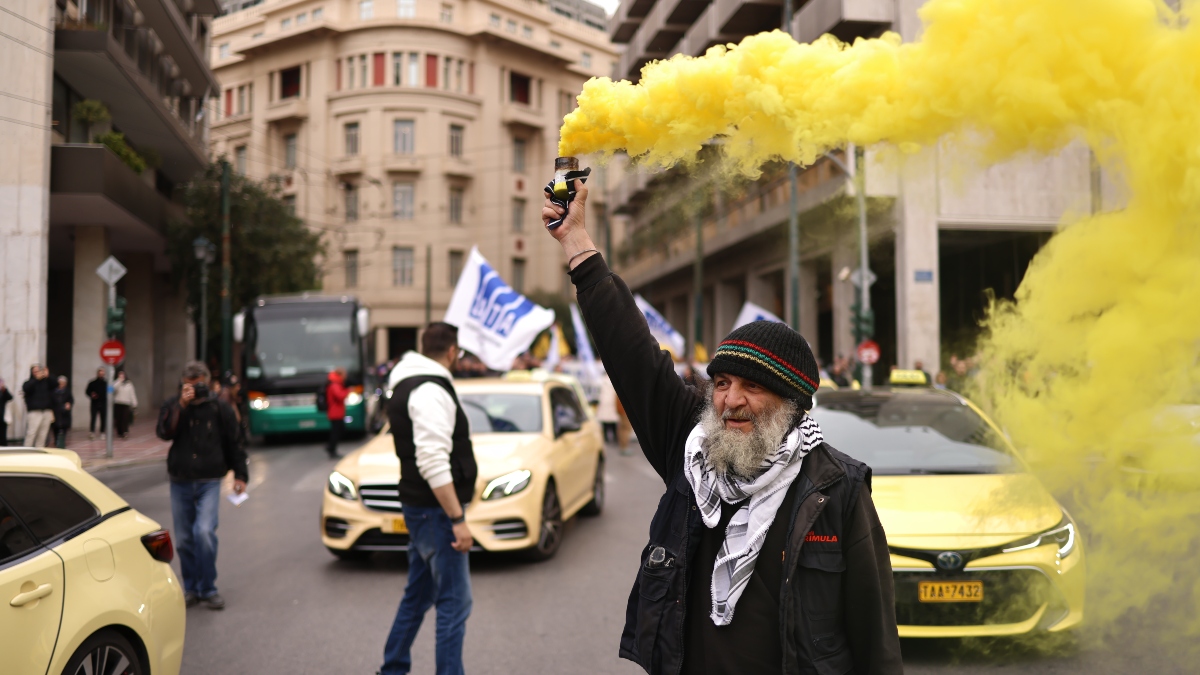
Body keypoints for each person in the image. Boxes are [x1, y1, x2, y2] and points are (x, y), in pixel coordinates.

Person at [543, 182, 902, 674]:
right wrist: (577, 243)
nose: (730, 400)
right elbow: (631, 355)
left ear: (792, 403)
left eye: (752, 387)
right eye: (723, 382)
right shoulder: (689, 453)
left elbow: (874, 634)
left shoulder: (835, 488)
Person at [380, 322, 478, 675]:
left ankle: (393, 668)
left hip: (421, 509)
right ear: (452, 352)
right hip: (435, 514)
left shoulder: (408, 381)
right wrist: (456, 519)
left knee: (418, 596)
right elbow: (432, 461)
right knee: (454, 602)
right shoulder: (430, 390)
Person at [156, 361, 247, 610]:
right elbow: (164, 432)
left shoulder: (220, 408)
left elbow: (235, 442)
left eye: (199, 385)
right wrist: (181, 405)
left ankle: (208, 588)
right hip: (180, 480)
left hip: (209, 480)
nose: (195, 390)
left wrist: (241, 475)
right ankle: (192, 588)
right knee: (185, 539)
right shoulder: (174, 404)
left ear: (207, 383)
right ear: (183, 384)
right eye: (189, 384)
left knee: (204, 532)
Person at [22, 365, 55, 447]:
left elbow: (55, 384)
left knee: (43, 435)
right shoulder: (29, 383)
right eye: (35, 371)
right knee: (31, 433)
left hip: (46, 411)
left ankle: (39, 453)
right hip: (34, 412)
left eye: (39, 371)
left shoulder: (47, 382)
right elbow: (26, 388)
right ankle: (25, 452)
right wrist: (36, 380)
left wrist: (49, 376)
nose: (37, 373)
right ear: (32, 373)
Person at [325, 367, 349, 459]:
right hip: (335, 413)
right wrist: (348, 391)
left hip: (336, 412)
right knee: (336, 432)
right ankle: (331, 448)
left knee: (337, 431)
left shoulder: (336, 383)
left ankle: (331, 447)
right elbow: (340, 396)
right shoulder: (335, 384)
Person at [112, 370, 138, 438]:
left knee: (125, 418)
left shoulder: (129, 384)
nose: (122, 376)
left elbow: (132, 394)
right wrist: (119, 381)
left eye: (123, 375)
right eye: (120, 375)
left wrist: (134, 404)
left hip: (126, 403)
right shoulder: (116, 382)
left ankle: (125, 431)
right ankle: (119, 432)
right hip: (118, 403)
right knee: (118, 419)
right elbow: (113, 389)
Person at [51, 376, 74, 449]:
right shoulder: (54, 391)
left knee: (64, 427)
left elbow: (71, 400)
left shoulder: (67, 391)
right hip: (56, 411)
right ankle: (56, 440)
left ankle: (62, 441)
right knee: (55, 427)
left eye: (63, 383)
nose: (61, 385)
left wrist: (69, 404)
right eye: (60, 383)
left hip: (64, 413)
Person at [597, 373, 619, 444]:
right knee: (612, 422)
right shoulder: (611, 380)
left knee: (607, 422)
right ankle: (614, 437)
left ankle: (608, 437)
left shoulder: (601, 380)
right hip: (609, 403)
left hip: (607, 403)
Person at [86, 368, 107, 439]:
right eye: (100, 373)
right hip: (94, 403)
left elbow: (110, 393)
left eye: (102, 373)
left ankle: (102, 432)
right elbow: (87, 391)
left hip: (103, 403)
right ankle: (92, 432)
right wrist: (91, 394)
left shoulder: (106, 383)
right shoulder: (92, 383)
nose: (101, 374)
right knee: (93, 417)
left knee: (103, 418)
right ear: (97, 373)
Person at [0, 378, 13, 447]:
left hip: (2, 417)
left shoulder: (3, 391)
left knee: (2, 435)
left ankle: (3, 448)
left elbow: (10, 397)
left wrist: (4, 389)